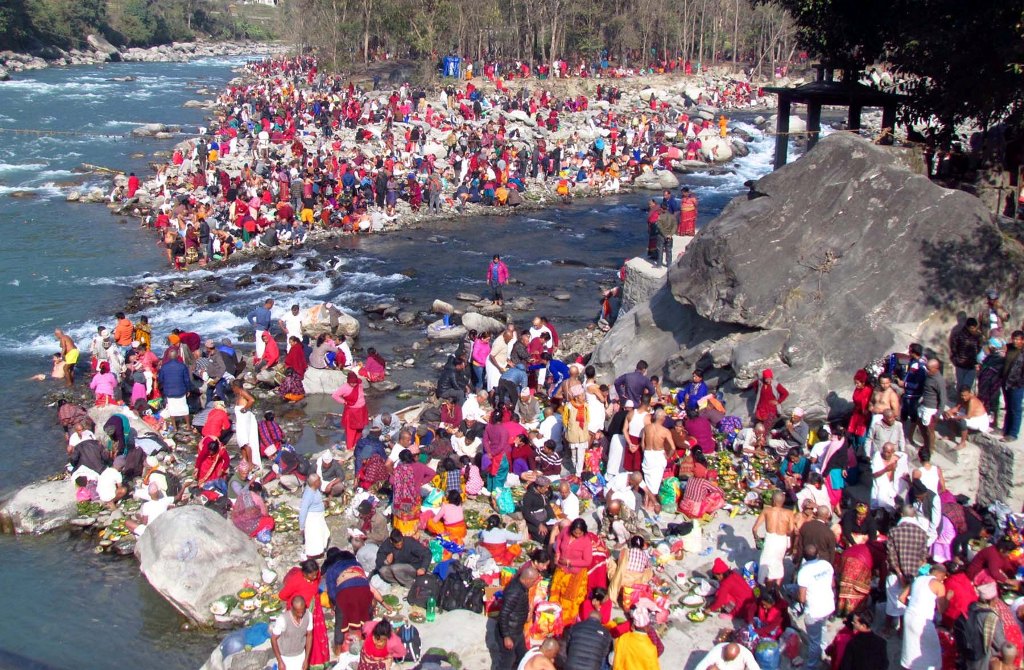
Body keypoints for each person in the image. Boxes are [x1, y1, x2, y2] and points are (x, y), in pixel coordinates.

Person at [277, 559, 331, 667]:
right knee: (301, 636)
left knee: (316, 636)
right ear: (304, 573)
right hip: (301, 611)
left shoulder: (317, 575)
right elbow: (282, 595)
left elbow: (318, 580)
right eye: (312, 575)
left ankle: (317, 661)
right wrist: (297, 602)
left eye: (316, 574)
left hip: (314, 609)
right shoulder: (296, 580)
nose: (315, 577)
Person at [885, 506, 930, 634]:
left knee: (893, 600)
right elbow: (923, 557)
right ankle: (903, 631)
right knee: (908, 602)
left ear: (902, 515)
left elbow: (891, 556)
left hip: (896, 573)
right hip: (913, 575)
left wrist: (899, 573)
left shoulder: (894, 532)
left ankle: (888, 628)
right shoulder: (922, 533)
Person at [899, 563, 946, 670]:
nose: (943, 580)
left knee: (911, 650)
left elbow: (901, 597)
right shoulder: (938, 585)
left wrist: (912, 607)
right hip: (922, 621)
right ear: (939, 574)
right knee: (933, 653)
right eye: (943, 577)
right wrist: (948, 597)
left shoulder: (917, 579)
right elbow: (942, 609)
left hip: (909, 616)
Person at [796, 544, 835, 670]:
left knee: (814, 641)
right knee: (822, 630)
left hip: (814, 611)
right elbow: (833, 584)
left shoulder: (804, 571)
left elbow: (802, 598)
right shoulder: (826, 565)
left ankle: (812, 665)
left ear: (804, 557)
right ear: (817, 554)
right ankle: (823, 653)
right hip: (828, 605)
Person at [495, 564, 542, 670]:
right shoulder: (515, 591)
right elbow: (504, 614)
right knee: (507, 661)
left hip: (517, 631)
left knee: (523, 656)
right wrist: (506, 636)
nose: (535, 583)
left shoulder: (521, 586)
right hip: (509, 632)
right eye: (534, 581)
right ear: (527, 580)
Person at [551, 518, 593, 624]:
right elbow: (559, 539)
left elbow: (587, 561)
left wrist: (570, 562)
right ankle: (553, 619)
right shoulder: (565, 531)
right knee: (556, 593)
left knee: (568, 600)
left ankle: (565, 624)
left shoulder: (586, 542)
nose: (577, 535)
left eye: (580, 533)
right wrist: (557, 553)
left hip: (575, 573)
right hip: (561, 569)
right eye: (575, 532)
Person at [753, 491, 793, 586]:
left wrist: (757, 540)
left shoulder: (767, 510)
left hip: (770, 540)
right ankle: (777, 587)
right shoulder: (789, 513)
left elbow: (754, 529)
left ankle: (763, 585)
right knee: (778, 563)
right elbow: (791, 530)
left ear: (774, 501)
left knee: (765, 564)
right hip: (782, 540)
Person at [564, 594, 613, 670]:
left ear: (588, 617)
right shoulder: (606, 633)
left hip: (571, 666)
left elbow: (568, 645)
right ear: (600, 621)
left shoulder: (575, 627)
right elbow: (604, 653)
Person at [271, 596, 312, 670]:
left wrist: (306, 659)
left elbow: (309, 636)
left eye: (302, 611)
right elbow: (273, 639)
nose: (301, 615)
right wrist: (280, 661)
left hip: (300, 655)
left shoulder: (308, 615)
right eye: (298, 612)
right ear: (292, 608)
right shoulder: (283, 619)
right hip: (285, 657)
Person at [332, 372, 369, 449]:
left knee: (360, 428)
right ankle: (350, 447)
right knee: (351, 430)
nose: (354, 384)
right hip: (352, 411)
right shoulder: (344, 387)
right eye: (351, 383)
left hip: (362, 410)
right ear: (348, 381)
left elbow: (361, 393)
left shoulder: (359, 384)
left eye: (355, 382)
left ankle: (356, 444)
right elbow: (335, 395)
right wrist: (344, 401)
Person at [299, 474, 330, 558]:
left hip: (319, 517)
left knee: (324, 534)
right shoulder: (308, 494)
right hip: (313, 518)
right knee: (314, 538)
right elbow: (303, 510)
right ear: (315, 482)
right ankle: (311, 555)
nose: (320, 482)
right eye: (319, 480)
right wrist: (302, 527)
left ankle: (320, 551)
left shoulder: (315, 490)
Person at [951, 318, 983, 391]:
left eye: (975, 328)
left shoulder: (977, 336)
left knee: (968, 387)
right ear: (967, 327)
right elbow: (954, 349)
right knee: (961, 386)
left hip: (971, 365)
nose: (973, 330)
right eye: (971, 328)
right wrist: (957, 360)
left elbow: (979, 348)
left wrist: (974, 358)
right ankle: (960, 401)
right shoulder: (958, 335)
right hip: (960, 365)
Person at [1003, 330, 1024, 442]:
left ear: (1023, 341)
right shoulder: (1009, 347)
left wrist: (1020, 382)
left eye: (1018, 339)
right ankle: (1006, 430)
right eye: (1014, 339)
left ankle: (1013, 433)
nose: (1015, 341)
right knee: (1008, 407)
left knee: (1016, 409)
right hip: (1006, 382)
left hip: (1017, 384)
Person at [693, 642, 760, 670]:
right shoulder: (717, 650)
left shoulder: (746, 654)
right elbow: (702, 665)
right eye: (726, 657)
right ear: (724, 648)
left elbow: (755, 668)